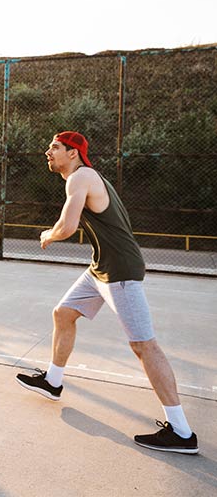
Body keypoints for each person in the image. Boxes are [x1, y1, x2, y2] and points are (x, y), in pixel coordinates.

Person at [16, 131, 198, 454]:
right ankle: (53, 382)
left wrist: (48, 234)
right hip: (100, 268)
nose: (48, 152)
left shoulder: (81, 176)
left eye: (55, 147)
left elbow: (68, 226)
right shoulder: (83, 177)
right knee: (63, 313)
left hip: (120, 271)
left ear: (73, 153)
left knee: (144, 345)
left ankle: (182, 432)